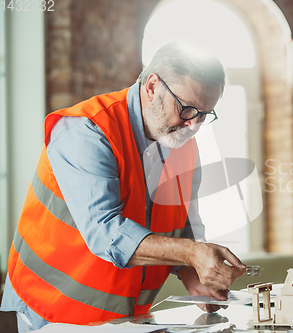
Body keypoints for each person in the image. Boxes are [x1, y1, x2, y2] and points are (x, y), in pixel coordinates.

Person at [0, 42, 247, 332]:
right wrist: (192, 253)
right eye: (187, 109)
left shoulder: (183, 144)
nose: (193, 126)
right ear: (152, 86)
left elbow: (182, 227)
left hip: (125, 321)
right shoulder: (87, 131)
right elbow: (105, 233)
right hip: (51, 314)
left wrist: (193, 275)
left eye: (205, 115)